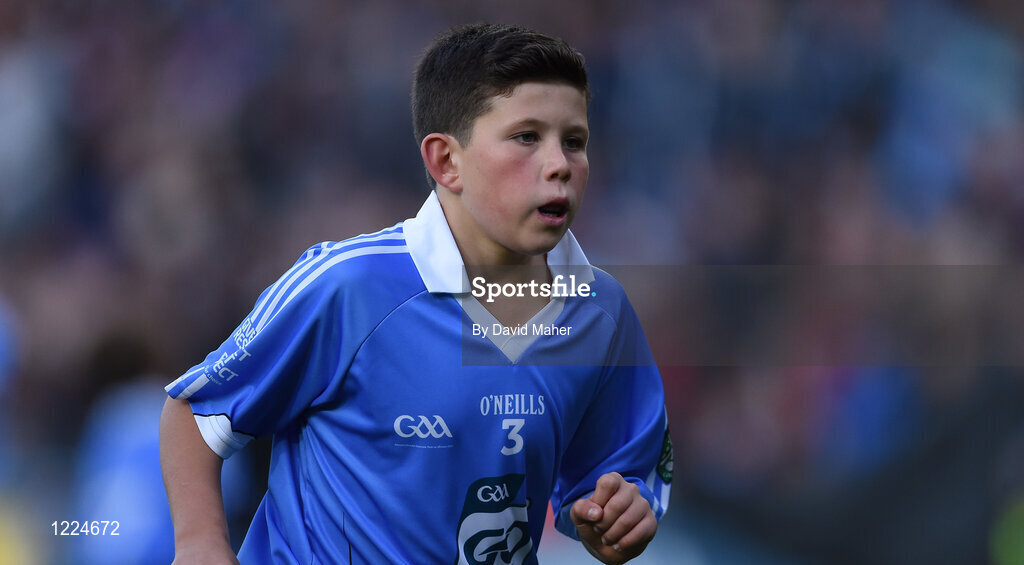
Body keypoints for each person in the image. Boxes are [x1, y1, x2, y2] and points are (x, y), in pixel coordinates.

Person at [160, 22, 671, 565]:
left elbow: (611, 487)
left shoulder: (601, 312)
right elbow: (196, 415)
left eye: (575, 141)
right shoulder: (349, 286)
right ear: (445, 162)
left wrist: (616, 518)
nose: (560, 165)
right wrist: (200, 545)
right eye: (527, 137)